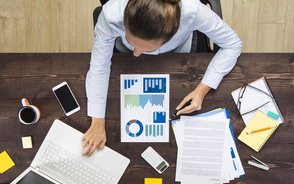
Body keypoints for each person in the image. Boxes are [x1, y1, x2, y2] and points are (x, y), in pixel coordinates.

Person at [81, 0, 242, 156]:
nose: (136, 54)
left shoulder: (193, 11)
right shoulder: (111, 14)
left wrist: (202, 89)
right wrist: (97, 121)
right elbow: (99, 67)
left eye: (146, 49)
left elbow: (233, 44)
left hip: (179, 50)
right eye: (133, 42)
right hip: (124, 56)